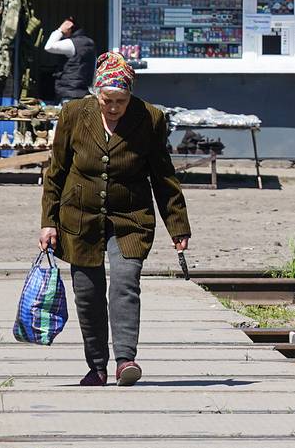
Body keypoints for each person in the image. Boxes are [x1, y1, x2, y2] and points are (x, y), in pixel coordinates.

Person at [38, 51, 191, 386]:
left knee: (125, 283)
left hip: (130, 218)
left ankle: (126, 360)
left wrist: (177, 225)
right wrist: (48, 221)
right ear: (97, 93)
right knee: (88, 292)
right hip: (80, 218)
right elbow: (56, 172)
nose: (113, 107)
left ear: (130, 94)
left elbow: (163, 176)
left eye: (121, 100)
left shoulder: (150, 118)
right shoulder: (74, 114)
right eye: (108, 99)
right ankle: (96, 366)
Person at [43, 18, 97, 103]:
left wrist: (59, 30)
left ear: (70, 27)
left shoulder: (72, 43)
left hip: (69, 93)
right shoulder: (89, 43)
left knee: (69, 116)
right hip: (83, 91)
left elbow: (49, 47)